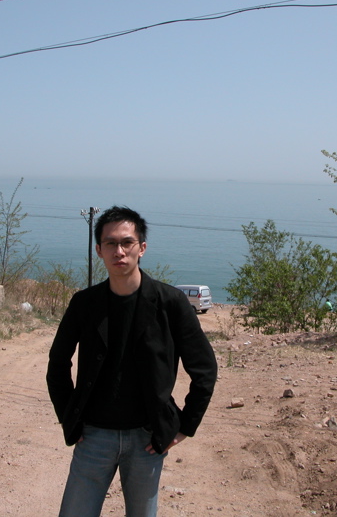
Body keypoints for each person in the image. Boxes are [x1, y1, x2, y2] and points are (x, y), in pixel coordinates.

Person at [46, 206, 218, 517]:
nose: (119, 251)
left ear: (142, 248)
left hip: (147, 438)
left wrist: (184, 427)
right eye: (110, 243)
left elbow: (204, 369)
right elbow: (57, 364)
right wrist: (68, 417)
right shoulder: (85, 303)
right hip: (93, 435)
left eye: (127, 242)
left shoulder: (171, 303)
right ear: (99, 250)